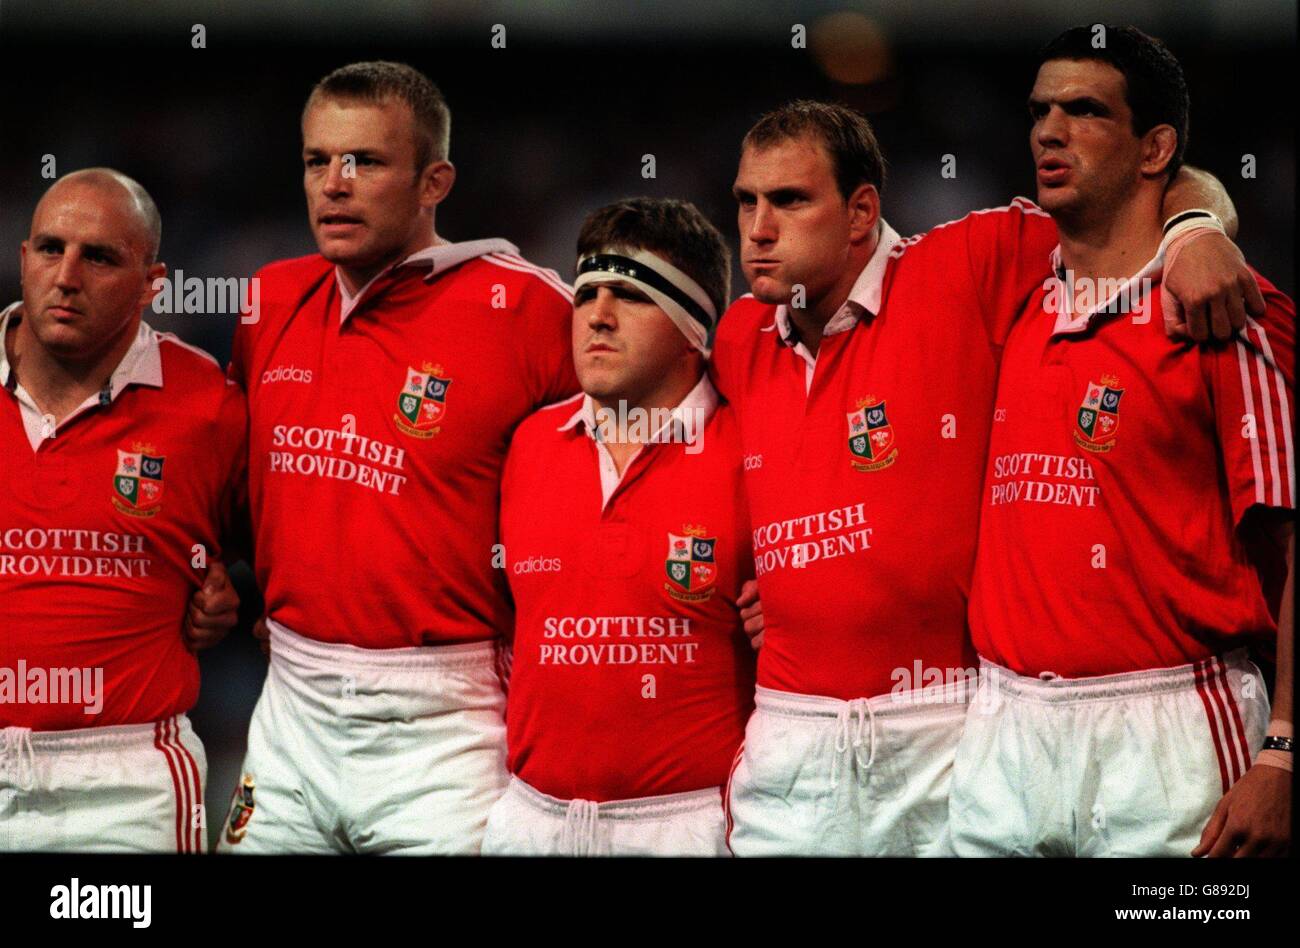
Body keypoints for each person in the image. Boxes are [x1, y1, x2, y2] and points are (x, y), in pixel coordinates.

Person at [713, 98, 1258, 855]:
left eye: (790, 200)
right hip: (789, 742)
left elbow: (1142, 192)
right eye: (746, 201)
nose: (758, 228)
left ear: (862, 210)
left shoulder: (970, 262)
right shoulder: (738, 338)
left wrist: (1194, 228)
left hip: (951, 731)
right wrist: (781, 582)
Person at [219, 61, 580, 854]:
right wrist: (203, 565)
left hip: (448, 726)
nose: (334, 185)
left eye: (366, 162)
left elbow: (662, 440)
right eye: (318, 161)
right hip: (290, 710)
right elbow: (219, 470)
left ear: (434, 181)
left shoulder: (530, 309)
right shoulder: (270, 299)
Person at [951, 25, 1293, 857]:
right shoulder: (1013, 295)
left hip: (1170, 731)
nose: (1048, 131)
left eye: (1084, 110)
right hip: (1003, 733)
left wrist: (1285, 751)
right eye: (1040, 111)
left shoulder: (1228, 311)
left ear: (1155, 149)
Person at [482, 198, 755, 856]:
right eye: (586, 295)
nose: (596, 318)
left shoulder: (751, 450)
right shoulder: (528, 443)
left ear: (694, 326)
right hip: (529, 818)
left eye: (629, 295)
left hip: (684, 826)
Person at [0, 168, 245, 852]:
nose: (67, 276)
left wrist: (225, 588)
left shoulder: (207, 406)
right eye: (51, 249)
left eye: (100, 257)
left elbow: (280, 545)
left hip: (123, 785)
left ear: (152, 283)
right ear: (24, 260)